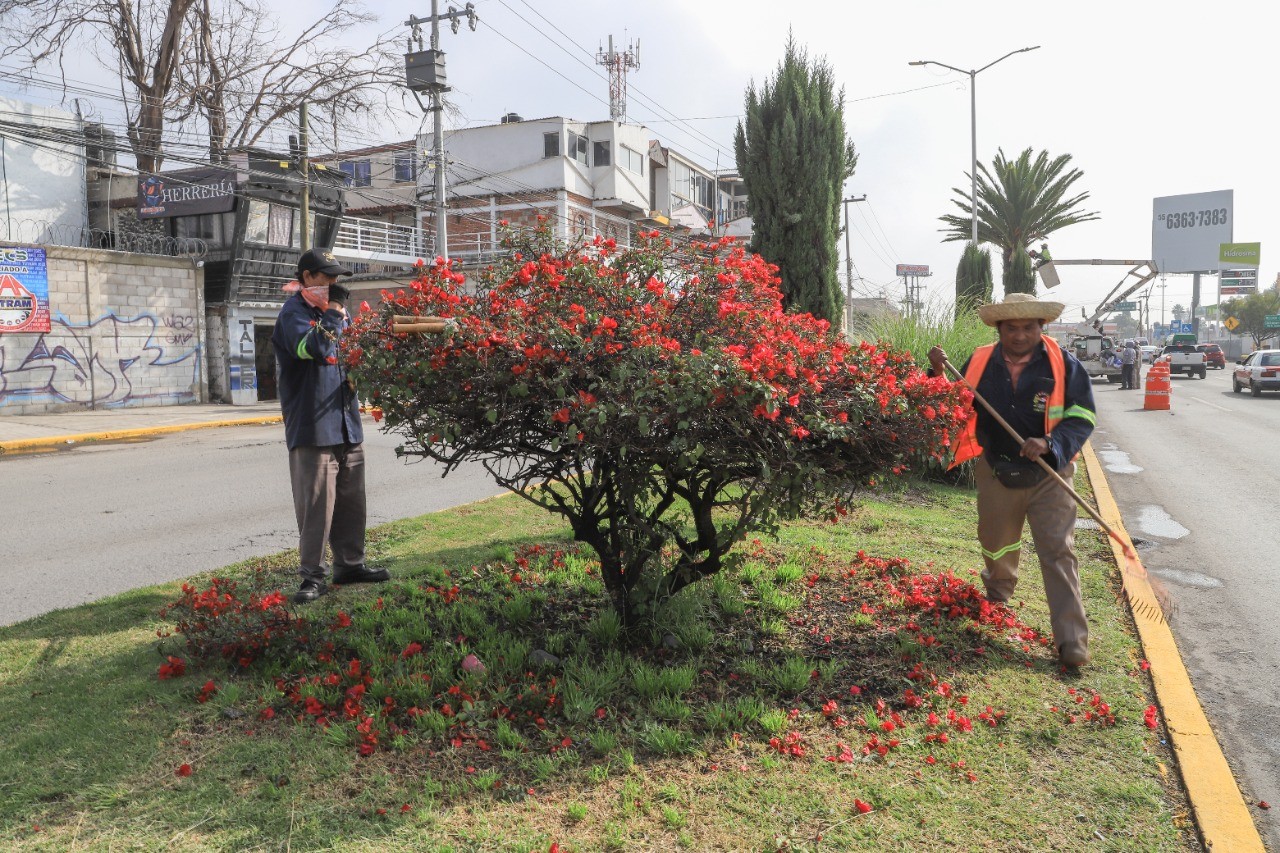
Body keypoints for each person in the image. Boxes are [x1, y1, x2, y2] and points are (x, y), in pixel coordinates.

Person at [928, 293, 1097, 668]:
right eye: (1012, 328)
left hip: (1050, 474)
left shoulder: (1063, 365)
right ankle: (999, 593)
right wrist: (937, 374)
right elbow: (952, 403)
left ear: (1041, 328)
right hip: (996, 470)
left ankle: (1072, 643)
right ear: (1000, 329)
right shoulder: (979, 362)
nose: (1020, 335)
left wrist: (1052, 443)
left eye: (1028, 327)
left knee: (1058, 551)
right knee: (996, 542)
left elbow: (1083, 415)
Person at [272, 247, 390, 604]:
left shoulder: (336, 316)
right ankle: (312, 576)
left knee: (352, 502)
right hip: (313, 428)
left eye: (337, 278)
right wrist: (336, 311)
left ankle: (350, 564)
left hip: (346, 424)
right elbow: (315, 348)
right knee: (317, 507)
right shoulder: (294, 314)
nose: (334, 284)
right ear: (307, 277)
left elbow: (349, 357)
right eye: (328, 278)